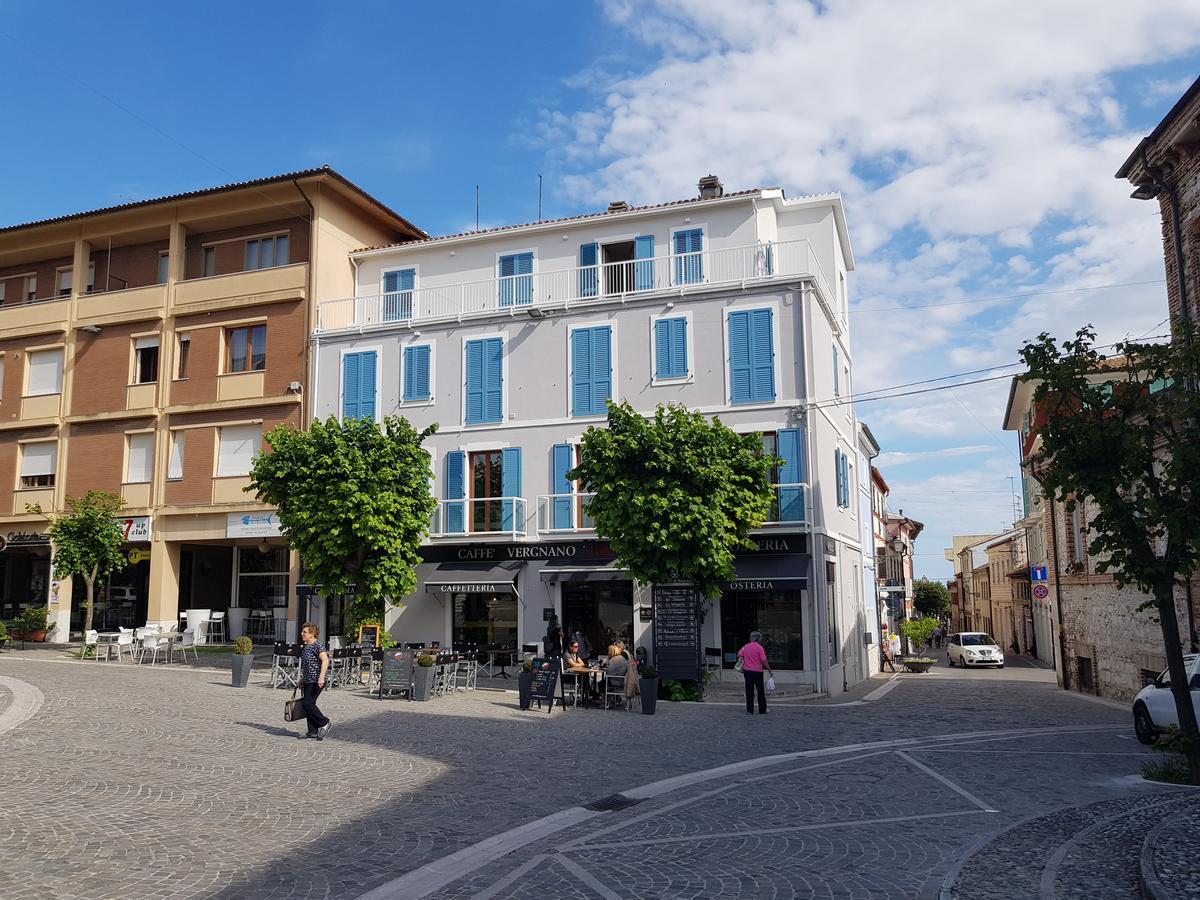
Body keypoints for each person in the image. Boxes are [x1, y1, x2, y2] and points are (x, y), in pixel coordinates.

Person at [298, 622, 331, 740]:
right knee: (308, 704)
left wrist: (321, 677)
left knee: (308, 703)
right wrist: (302, 678)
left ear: (312, 634)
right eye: (302, 632)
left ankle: (324, 723)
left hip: (316, 680)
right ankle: (312, 731)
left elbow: (325, 660)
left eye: (304, 632)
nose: (302, 634)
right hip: (307, 680)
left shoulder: (318, 645)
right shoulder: (306, 646)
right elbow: (307, 665)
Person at [737, 631, 773, 715]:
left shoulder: (745, 647)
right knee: (760, 691)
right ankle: (762, 709)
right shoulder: (760, 648)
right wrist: (769, 670)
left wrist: (746, 658)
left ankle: (750, 710)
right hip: (758, 671)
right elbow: (764, 660)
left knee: (749, 691)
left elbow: (739, 655)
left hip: (747, 671)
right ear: (759, 639)